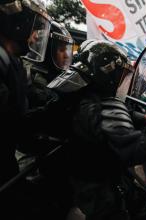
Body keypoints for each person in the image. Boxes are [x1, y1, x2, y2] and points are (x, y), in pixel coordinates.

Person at [47, 39, 146, 220]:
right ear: (108, 73)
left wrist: (143, 118)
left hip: (84, 179)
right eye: (121, 75)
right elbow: (137, 150)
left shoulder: (77, 96)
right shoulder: (103, 104)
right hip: (103, 186)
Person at [0, 0, 51, 219]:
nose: (36, 36)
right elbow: (11, 120)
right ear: (17, 24)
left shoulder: (15, 64)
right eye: (34, 28)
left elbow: (30, 99)